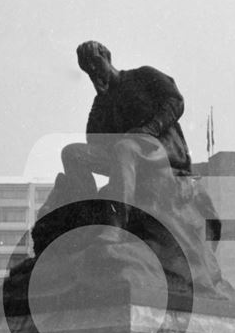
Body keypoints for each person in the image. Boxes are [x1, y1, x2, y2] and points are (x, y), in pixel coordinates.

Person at [60, 42, 192, 217]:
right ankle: (89, 215)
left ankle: (118, 223)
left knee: (125, 147)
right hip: (124, 158)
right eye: (87, 67)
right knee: (71, 152)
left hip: (160, 150)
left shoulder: (142, 75)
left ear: (107, 57)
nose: (93, 68)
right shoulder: (102, 100)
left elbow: (176, 100)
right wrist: (102, 98)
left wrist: (150, 128)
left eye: (95, 61)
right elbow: (93, 142)